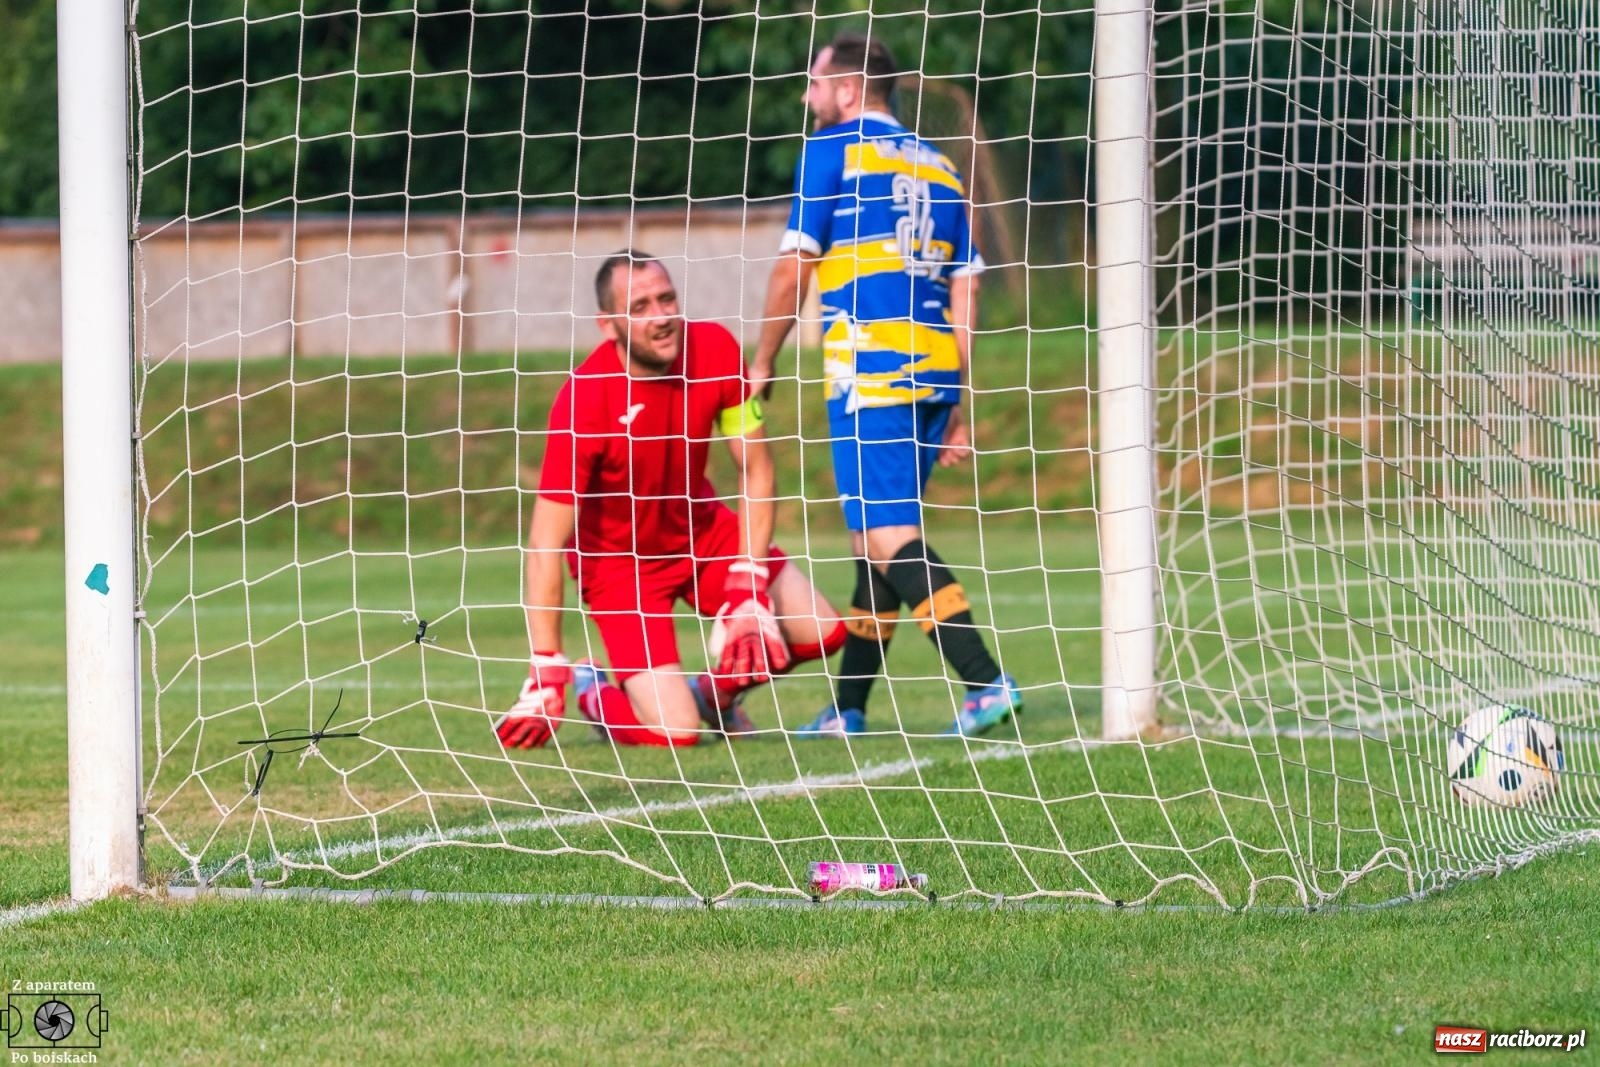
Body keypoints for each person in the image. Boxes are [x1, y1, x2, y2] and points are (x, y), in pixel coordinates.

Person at [750, 32, 1021, 738]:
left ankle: (986, 680)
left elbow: (794, 266)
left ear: (845, 90)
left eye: (813, 85)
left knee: (889, 534)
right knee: (873, 541)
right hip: (932, 369)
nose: (807, 99)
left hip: (871, 370)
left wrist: (764, 356)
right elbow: (967, 286)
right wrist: (957, 396)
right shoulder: (940, 164)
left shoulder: (829, 152)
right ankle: (850, 708)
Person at [497, 251, 845, 749]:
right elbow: (545, 541)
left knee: (824, 632)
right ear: (609, 325)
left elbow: (757, 468)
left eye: (666, 299)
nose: (660, 317)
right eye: (639, 307)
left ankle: (712, 693)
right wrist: (547, 660)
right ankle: (592, 690)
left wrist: (748, 588)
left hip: (702, 532)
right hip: (618, 568)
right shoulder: (583, 401)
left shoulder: (717, 350)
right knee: (676, 733)